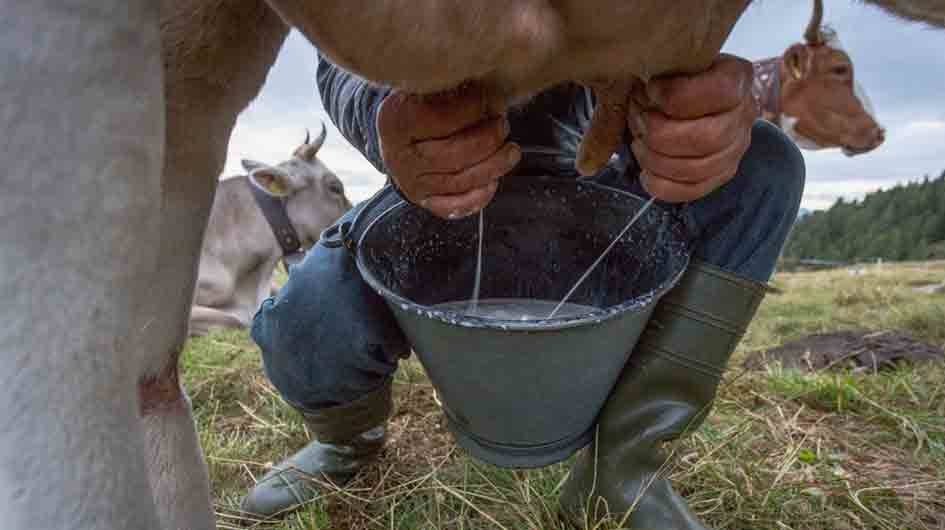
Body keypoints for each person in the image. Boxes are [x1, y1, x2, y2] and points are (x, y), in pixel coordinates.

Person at [240, 51, 804, 529]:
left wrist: (695, 117)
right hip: (437, 198)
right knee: (304, 320)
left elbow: (685, 40)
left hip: (589, 183)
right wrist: (384, 116)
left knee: (766, 163)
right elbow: (339, 54)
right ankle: (347, 443)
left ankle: (623, 471)